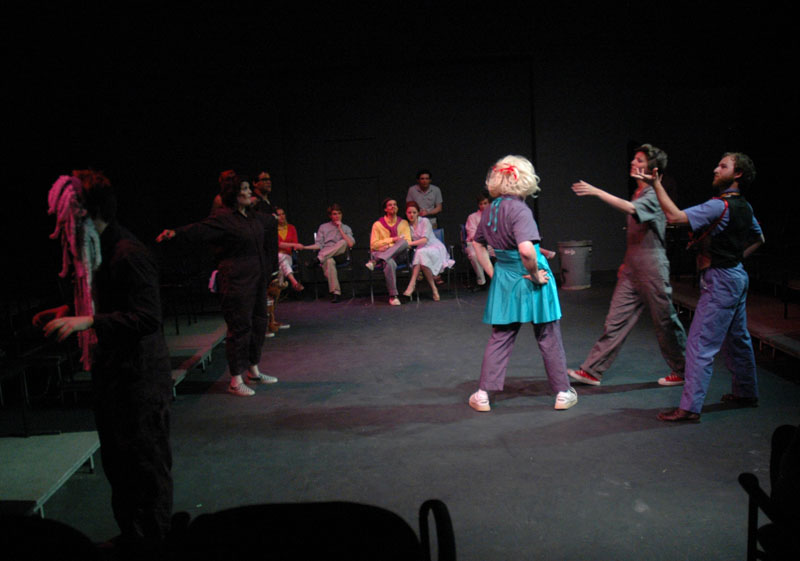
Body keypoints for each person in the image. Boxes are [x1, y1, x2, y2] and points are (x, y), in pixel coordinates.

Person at [35, 170, 173, 558]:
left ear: (87, 213)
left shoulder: (128, 253)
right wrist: (67, 311)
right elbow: (106, 303)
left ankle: (154, 542)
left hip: (140, 380)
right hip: (113, 375)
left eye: (69, 218)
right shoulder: (97, 252)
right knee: (118, 464)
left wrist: (88, 321)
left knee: (146, 467)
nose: (64, 228)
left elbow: (147, 317)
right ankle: (132, 536)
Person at [647, 152, 764, 422]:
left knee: (700, 344)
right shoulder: (745, 207)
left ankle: (689, 407)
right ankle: (746, 392)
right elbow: (760, 238)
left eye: (723, 166)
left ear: (737, 174)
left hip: (721, 279)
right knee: (738, 339)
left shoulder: (718, 206)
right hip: (737, 275)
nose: (715, 169)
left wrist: (656, 185)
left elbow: (675, 217)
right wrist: (734, 258)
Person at [567, 144, 687, 387]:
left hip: (652, 267)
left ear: (653, 169)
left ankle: (686, 370)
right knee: (615, 321)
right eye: (634, 159)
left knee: (665, 321)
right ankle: (593, 370)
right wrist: (628, 263)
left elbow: (632, 210)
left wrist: (597, 192)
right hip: (633, 269)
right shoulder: (638, 193)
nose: (633, 163)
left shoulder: (654, 195)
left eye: (640, 160)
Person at [468, 155, 577, 412]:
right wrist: (536, 275)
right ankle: (563, 393)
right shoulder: (520, 210)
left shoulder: (491, 209)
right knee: (548, 335)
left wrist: (494, 273)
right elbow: (527, 251)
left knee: (501, 337)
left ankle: (483, 395)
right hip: (530, 277)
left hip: (506, 278)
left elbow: (477, 243)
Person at [157, 173, 279, 397]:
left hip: (256, 279)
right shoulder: (224, 219)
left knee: (259, 323)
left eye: (248, 188)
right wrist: (175, 233)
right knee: (240, 327)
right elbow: (198, 230)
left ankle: (253, 370)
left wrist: (274, 217)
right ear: (234, 194)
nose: (249, 192)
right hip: (236, 281)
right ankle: (235, 379)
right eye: (244, 189)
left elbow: (270, 222)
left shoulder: (252, 216)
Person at [402, 201, 455, 301]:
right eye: (409, 212)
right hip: (421, 250)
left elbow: (425, 240)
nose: (411, 215)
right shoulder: (407, 226)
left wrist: (409, 243)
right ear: (406, 213)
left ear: (418, 213)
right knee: (422, 258)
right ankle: (434, 289)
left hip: (434, 247)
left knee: (420, 254)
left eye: (414, 212)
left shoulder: (424, 221)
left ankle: (411, 285)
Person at [303, 203, 355, 303]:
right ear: (330, 216)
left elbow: (350, 244)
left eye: (339, 213)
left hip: (340, 255)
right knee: (329, 261)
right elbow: (319, 245)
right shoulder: (323, 227)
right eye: (334, 214)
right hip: (327, 255)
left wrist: (340, 229)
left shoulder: (346, 228)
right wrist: (304, 247)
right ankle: (336, 293)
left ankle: (318, 260)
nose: (337, 216)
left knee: (343, 242)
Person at [368, 198, 412, 306]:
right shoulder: (377, 224)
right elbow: (373, 245)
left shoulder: (403, 223)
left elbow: (408, 242)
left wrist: (388, 247)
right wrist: (392, 240)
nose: (393, 206)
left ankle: (375, 261)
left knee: (403, 242)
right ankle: (393, 296)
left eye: (395, 204)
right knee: (389, 262)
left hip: (398, 255)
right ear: (385, 209)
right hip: (382, 254)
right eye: (390, 205)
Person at [464, 191, 493, 291]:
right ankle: (482, 282)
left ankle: (498, 280)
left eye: (485, 203)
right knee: (474, 255)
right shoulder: (472, 217)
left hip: (492, 244)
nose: (483, 206)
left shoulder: (495, 216)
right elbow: (472, 234)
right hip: (475, 244)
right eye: (481, 204)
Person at [275, 207, 304, 292]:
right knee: (281, 259)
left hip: (288, 256)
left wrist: (297, 246)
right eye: (279, 215)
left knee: (281, 266)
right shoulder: (273, 230)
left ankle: (279, 288)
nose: (281, 216)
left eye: (283, 214)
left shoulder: (291, 228)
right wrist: (293, 245)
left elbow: (295, 243)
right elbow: (278, 244)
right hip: (276, 257)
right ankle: (294, 282)